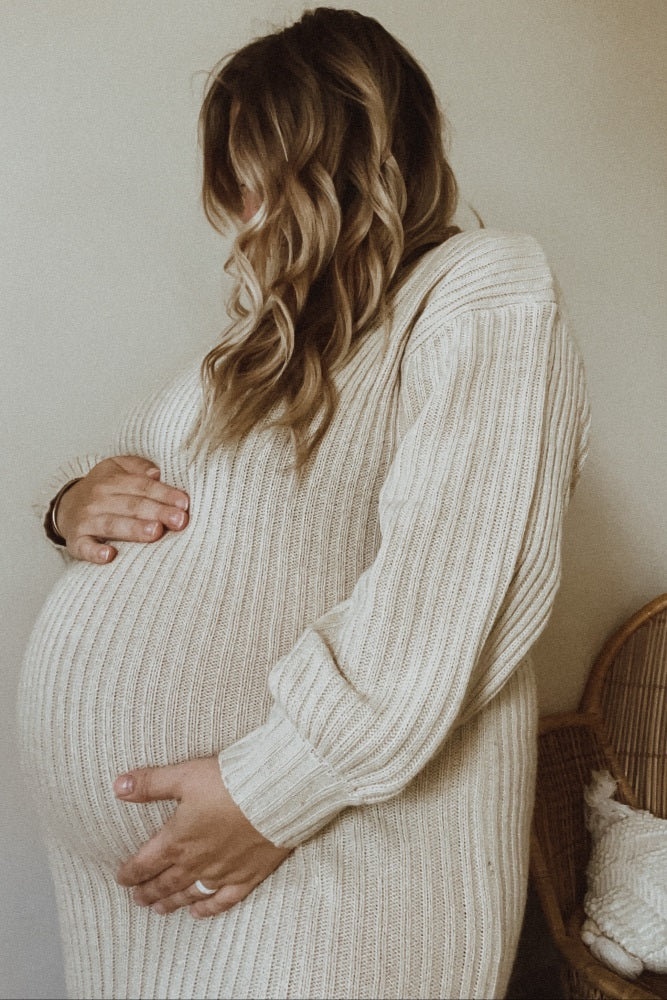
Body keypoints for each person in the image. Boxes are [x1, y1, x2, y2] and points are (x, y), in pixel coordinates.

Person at [18, 8, 590, 999]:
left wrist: (270, 792)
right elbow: (150, 461)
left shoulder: (476, 287)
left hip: (333, 860)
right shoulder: (259, 348)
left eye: (259, 170)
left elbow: (457, 587)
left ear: (351, 160)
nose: (243, 209)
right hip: (160, 903)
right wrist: (70, 502)